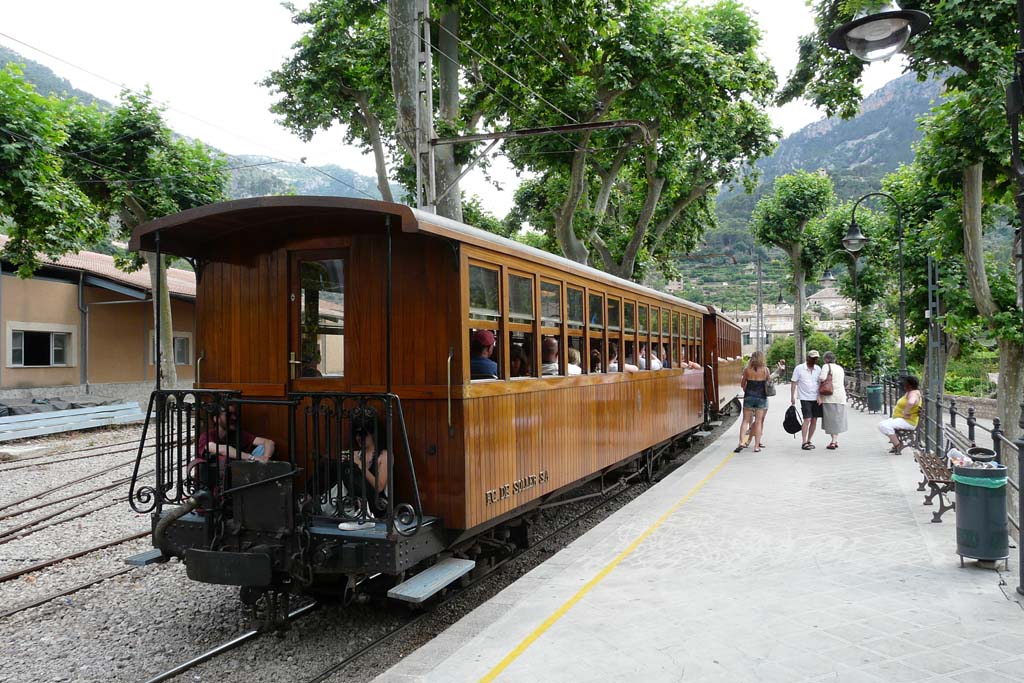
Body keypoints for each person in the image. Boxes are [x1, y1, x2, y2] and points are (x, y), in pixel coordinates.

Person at [197, 403, 275, 463]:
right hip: (219, 478)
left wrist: (265, 459)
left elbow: (269, 442)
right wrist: (252, 458)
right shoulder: (206, 436)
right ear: (216, 419)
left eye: (234, 414)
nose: (234, 418)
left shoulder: (237, 433)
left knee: (262, 448)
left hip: (241, 472)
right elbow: (221, 449)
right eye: (229, 415)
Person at [735, 350, 770, 453]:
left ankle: (741, 442)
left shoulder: (747, 370)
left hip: (749, 397)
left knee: (745, 420)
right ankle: (756, 446)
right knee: (758, 422)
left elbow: (742, 384)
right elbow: (769, 383)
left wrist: (747, 390)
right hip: (761, 398)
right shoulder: (765, 370)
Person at [879, 375, 921, 454]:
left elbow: (911, 401)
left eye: (905, 383)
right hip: (902, 419)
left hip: (908, 421)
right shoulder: (911, 392)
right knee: (881, 424)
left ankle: (897, 445)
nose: (903, 385)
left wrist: (905, 412)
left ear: (909, 385)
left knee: (885, 426)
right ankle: (897, 443)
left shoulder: (913, 394)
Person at [790, 350, 823, 450]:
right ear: (808, 358)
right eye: (813, 358)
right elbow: (794, 383)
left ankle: (809, 440)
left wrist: (820, 396)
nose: (814, 360)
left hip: (816, 397)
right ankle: (804, 441)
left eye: (816, 358)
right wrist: (792, 397)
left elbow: (820, 383)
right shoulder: (799, 368)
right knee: (807, 419)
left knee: (814, 420)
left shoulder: (818, 369)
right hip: (805, 397)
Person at [817, 351, 847, 450]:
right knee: (836, 420)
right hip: (841, 396)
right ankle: (835, 440)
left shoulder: (826, 366)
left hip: (830, 396)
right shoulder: (840, 368)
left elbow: (822, 378)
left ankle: (833, 442)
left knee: (831, 421)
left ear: (826, 359)